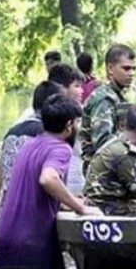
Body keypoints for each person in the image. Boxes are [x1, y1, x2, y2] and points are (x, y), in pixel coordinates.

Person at [0, 94, 102, 269]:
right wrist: (80, 208)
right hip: (33, 244)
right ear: (70, 125)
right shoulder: (61, 148)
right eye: (79, 122)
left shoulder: (29, 146)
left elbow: (32, 189)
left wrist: (64, 202)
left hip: (5, 242)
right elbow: (48, 178)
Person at [0, 81, 64, 216]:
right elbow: (48, 181)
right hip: (33, 214)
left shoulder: (13, 131)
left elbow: (3, 161)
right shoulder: (48, 136)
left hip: (7, 211)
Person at [81, 44, 136, 169]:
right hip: (101, 174)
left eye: (133, 69)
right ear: (110, 69)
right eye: (126, 68)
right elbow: (103, 143)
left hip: (112, 167)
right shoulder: (104, 99)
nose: (131, 73)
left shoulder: (116, 96)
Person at [48, 63, 85, 195]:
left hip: (77, 180)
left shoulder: (81, 111)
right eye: (77, 86)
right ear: (62, 88)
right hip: (64, 182)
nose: (82, 91)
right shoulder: (40, 116)